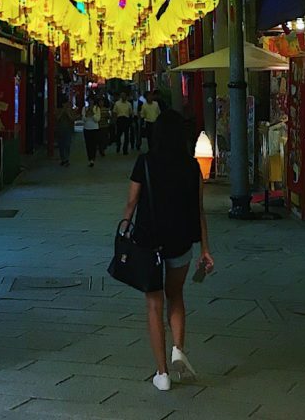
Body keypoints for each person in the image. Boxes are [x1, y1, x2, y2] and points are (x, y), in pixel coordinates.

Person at [120, 109, 214, 392]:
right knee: (176, 296)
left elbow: (132, 202)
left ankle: (162, 374)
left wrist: (123, 230)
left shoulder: (145, 162)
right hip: (180, 240)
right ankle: (178, 348)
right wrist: (205, 248)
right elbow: (198, 210)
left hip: (149, 240)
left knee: (153, 303)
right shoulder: (192, 166)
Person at [82, 102, 101, 167]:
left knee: (94, 144)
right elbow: (83, 119)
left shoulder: (97, 108)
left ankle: (93, 158)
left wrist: (92, 114)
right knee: (88, 144)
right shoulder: (84, 108)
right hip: (87, 128)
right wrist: (87, 113)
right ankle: (90, 158)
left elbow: (97, 119)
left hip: (95, 129)